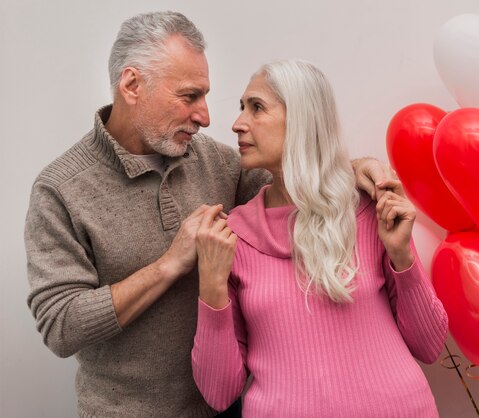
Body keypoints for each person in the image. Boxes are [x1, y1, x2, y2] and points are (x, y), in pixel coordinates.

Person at [24, 12, 391, 418]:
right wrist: (169, 265)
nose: (206, 116)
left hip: (231, 406)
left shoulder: (219, 163)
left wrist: (356, 169)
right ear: (132, 85)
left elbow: (296, 187)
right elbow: (61, 326)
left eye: (205, 95)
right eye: (189, 96)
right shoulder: (60, 190)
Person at [191, 59, 449, 417]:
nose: (237, 124)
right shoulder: (232, 238)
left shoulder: (369, 210)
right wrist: (211, 286)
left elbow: (430, 346)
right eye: (241, 108)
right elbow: (219, 394)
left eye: (257, 108)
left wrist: (402, 256)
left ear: (302, 118)